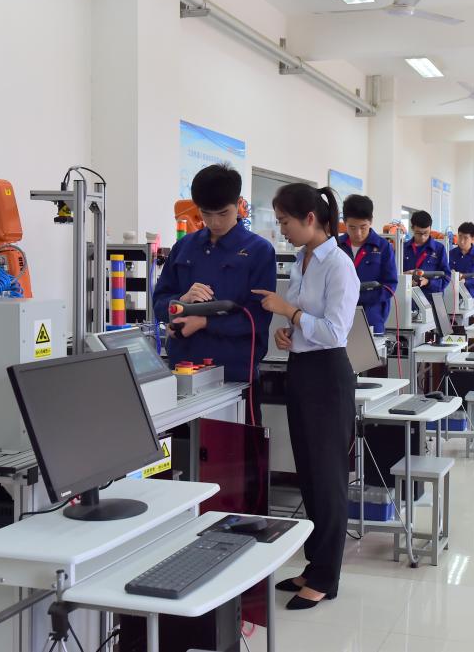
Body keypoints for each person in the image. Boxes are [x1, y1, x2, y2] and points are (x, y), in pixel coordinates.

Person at [251, 184, 359, 611]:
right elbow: (303, 320)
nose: (282, 230)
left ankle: (327, 577)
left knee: (328, 478)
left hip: (328, 376)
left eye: (285, 222)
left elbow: (334, 332)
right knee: (309, 475)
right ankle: (313, 565)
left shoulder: (339, 266)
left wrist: (289, 312)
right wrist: (287, 332)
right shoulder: (302, 260)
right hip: (301, 370)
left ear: (310, 219)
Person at [153, 164, 275, 423]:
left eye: (223, 213)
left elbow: (257, 318)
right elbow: (159, 303)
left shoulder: (258, 251)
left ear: (239, 205)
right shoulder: (184, 248)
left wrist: (204, 322)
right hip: (184, 375)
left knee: (236, 447)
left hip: (235, 378)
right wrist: (179, 302)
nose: (215, 222)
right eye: (206, 214)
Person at [338, 194, 398, 334]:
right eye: (352, 227)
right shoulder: (336, 246)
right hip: (339, 316)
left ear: (371, 221)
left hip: (372, 317)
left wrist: (357, 297)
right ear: (344, 222)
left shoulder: (383, 247)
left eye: (363, 227)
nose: (358, 233)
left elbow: (390, 286)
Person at [403, 210, 450, 295]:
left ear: (430, 228)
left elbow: (446, 277)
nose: (422, 237)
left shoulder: (439, 249)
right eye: (418, 233)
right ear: (412, 228)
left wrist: (428, 282)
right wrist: (405, 278)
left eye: (426, 233)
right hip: (406, 297)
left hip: (431, 299)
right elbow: (393, 276)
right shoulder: (403, 248)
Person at [450, 222, 474, 296]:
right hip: (452, 295)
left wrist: (466, 281)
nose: (462, 241)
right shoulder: (450, 254)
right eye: (460, 236)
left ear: (472, 239)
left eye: (466, 238)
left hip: (472, 295)